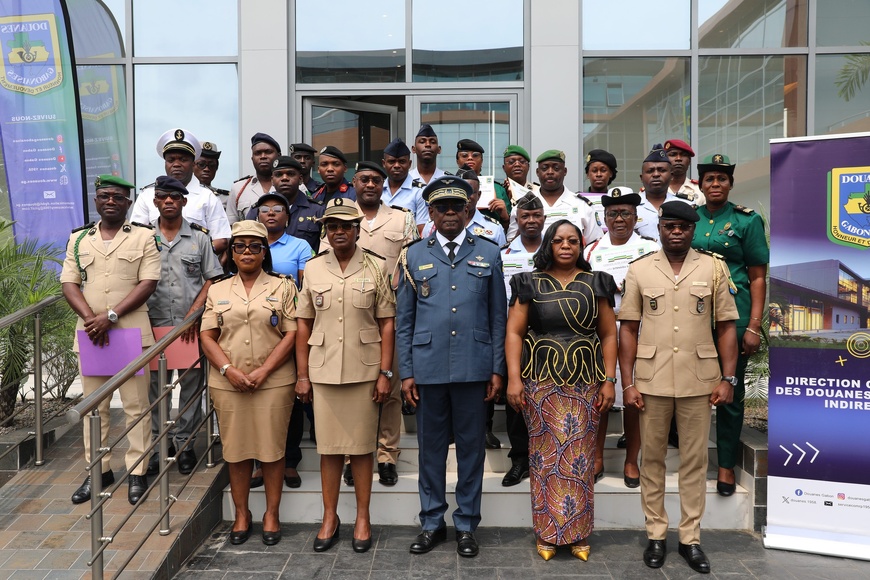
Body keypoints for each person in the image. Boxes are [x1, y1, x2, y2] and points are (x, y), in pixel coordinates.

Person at [619, 201, 739, 574]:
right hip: (652, 380)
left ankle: (690, 538)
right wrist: (628, 382)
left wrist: (728, 377)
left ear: (692, 229)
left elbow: (726, 327)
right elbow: (627, 328)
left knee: (694, 461)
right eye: (669, 225)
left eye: (683, 227)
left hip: (698, 380)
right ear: (659, 228)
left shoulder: (714, 267)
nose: (676, 232)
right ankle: (656, 534)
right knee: (651, 460)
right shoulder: (640, 269)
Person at [397, 176, 507, 558]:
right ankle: (431, 522)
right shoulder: (413, 255)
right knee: (429, 451)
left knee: (471, 452)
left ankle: (466, 525)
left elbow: (498, 318)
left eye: (455, 207)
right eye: (440, 207)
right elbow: (405, 321)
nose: (448, 213)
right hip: (427, 369)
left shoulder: (489, 253)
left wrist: (497, 370)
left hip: (474, 369)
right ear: (430, 211)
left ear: (467, 210)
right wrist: (406, 371)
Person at [504, 219, 618, 562]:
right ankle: (548, 535)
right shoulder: (528, 282)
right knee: (544, 459)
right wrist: (513, 378)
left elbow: (610, 334)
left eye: (572, 240)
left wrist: (609, 379)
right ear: (548, 245)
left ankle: (579, 534)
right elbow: (514, 333)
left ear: (581, 245)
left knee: (580, 460)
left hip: (585, 382)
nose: (566, 246)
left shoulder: (596, 282)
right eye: (558, 241)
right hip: (541, 382)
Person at [295, 198, 396, 554]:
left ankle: (363, 517)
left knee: (363, 449)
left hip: (365, 370)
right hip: (323, 371)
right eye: (332, 226)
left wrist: (386, 372)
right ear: (326, 231)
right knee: (329, 450)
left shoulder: (376, 266)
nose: (339, 232)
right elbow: (303, 322)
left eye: (346, 226)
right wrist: (302, 375)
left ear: (357, 229)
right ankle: (329, 517)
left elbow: (387, 322)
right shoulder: (313, 268)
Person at [61, 175, 160, 505]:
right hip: (92, 335)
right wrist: (92, 319)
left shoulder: (144, 237)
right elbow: (69, 284)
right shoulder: (78, 239)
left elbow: (148, 283)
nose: (111, 202)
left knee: (136, 408)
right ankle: (97, 472)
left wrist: (111, 316)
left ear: (128, 203)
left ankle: (137, 472)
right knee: (95, 409)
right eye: (104, 196)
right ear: (96, 200)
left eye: (118, 197)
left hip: (130, 331)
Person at [200, 220, 298, 546]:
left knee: (271, 450)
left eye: (254, 246)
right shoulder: (217, 290)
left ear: (264, 251)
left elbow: (292, 333)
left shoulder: (283, 287)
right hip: (228, 382)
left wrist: (263, 371)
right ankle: (242, 513)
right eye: (239, 246)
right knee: (237, 450)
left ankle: (272, 513)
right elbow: (207, 336)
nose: (246, 252)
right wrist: (228, 369)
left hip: (273, 382)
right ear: (231, 252)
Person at [320, 161, 418, 487]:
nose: (371, 185)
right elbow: (325, 259)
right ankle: (352, 454)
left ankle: (387, 455)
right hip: (349, 315)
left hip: (393, 315)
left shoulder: (402, 218)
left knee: (388, 390)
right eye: (365, 179)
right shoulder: (338, 217)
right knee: (354, 391)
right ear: (355, 183)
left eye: (377, 179)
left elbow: (412, 264)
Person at [690, 153, 768, 497]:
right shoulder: (689, 219)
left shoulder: (746, 221)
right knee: (690, 392)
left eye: (722, 179)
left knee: (730, 393)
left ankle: (724, 466)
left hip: (733, 319)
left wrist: (753, 326)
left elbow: (758, 277)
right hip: (691, 318)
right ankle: (690, 463)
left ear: (730, 184)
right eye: (710, 179)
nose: (716, 184)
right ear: (701, 184)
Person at [145, 176, 223, 477]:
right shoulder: (142, 237)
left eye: (175, 197)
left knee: (191, 388)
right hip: (153, 327)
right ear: (155, 201)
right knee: (155, 390)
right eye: (163, 196)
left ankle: (186, 445)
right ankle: (157, 445)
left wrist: (194, 313)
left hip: (190, 328)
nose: (168, 201)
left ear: (183, 202)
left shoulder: (200, 238)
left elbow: (212, 278)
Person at [584, 187, 658, 488]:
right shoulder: (590, 251)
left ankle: (631, 461)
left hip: (638, 331)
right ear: (604, 217)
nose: (619, 219)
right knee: (600, 396)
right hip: (600, 333)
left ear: (635, 216)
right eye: (613, 213)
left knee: (633, 397)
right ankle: (598, 456)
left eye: (625, 213)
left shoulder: (650, 249)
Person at [499, 192, 545, 487]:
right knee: (516, 401)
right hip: (514, 337)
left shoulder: (555, 254)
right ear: (517, 220)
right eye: (525, 216)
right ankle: (519, 459)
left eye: (536, 215)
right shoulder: (504, 254)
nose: (531, 220)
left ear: (544, 219)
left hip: (549, 338)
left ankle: (545, 457)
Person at [131, 128, 231, 256]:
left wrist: (193, 256)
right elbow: (136, 237)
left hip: (195, 269)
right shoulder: (147, 196)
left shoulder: (208, 197)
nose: (176, 164)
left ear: (193, 163)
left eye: (183, 160)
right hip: (155, 268)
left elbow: (221, 240)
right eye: (171, 160)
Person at [506, 150, 604, 244]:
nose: (550, 172)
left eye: (556, 168)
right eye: (544, 168)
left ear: (565, 171)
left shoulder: (582, 205)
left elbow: (593, 245)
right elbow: (511, 245)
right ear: (537, 172)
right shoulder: (523, 205)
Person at [246, 156, 324, 253]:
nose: (284, 178)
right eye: (279, 175)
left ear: (300, 179)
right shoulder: (258, 209)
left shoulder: (317, 210)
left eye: (290, 174)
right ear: (272, 181)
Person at [635, 144, 693, 241]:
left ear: (672, 176)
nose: (656, 174)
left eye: (662, 170)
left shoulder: (686, 205)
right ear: (641, 178)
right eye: (650, 171)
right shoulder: (632, 207)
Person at [257, 192, 313, 284]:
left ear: (287, 217)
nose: (271, 213)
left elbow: (306, 288)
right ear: (258, 217)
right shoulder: (249, 246)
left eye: (277, 209)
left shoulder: (301, 246)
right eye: (264, 209)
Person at [226, 132, 282, 225]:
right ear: (252, 158)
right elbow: (231, 227)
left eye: (268, 152)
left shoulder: (292, 186)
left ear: (278, 156)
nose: (263, 156)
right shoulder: (238, 189)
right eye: (258, 153)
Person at [456, 138, 511, 228]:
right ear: (457, 161)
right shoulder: (449, 187)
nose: (470, 158)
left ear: (482, 161)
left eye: (475, 155)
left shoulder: (497, 189)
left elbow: (511, 229)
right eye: (464, 155)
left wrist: (505, 217)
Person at [381, 138, 429, 229]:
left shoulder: (420, 192)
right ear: (384, 163)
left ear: (409, 164)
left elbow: (421, 229)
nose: (397, 166)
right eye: (392, 161)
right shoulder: (377, 189)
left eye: (402, 161)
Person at [663, 139, 705, 205]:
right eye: (673, 154)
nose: (678, 159)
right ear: (664, 160)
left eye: (683, 155)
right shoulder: (653, 190)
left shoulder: (701, 191)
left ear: (689, 161)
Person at [195, 141, 229, 210]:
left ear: (216, 168)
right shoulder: (181, 194)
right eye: (201, 165)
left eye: (212, 165)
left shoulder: (226, 198)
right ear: (192, 165)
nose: (206, 169)